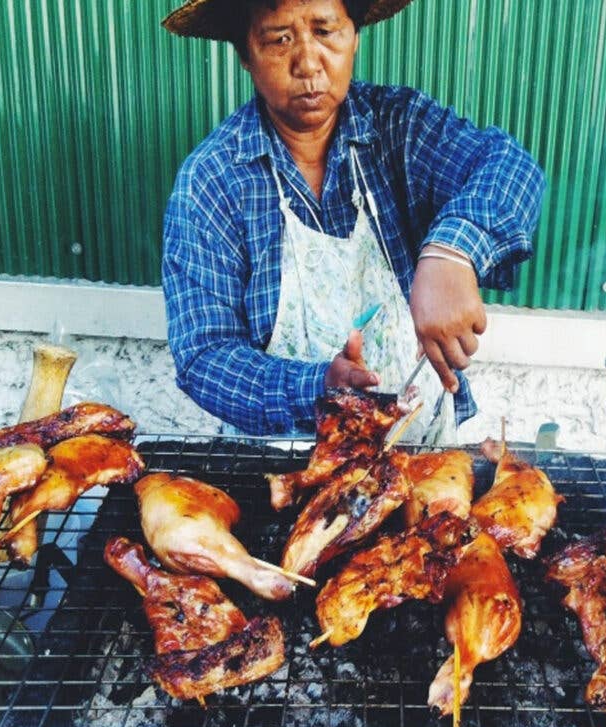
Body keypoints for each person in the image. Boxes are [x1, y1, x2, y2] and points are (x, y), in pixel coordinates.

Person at [161, 0, 544, 438]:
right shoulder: (211, 179)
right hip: (282, 464)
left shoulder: (399, 128)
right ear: (245, 54)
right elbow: (204, 357)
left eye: (325, 31)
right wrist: (318, 388)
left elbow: (510, 167)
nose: (308, 62)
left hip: (420, 456)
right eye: (279, 39)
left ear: (354, 36)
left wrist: (454, 252)